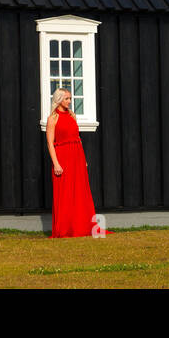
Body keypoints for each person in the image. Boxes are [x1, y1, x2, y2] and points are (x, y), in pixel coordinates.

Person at [45, 87, 105, 238]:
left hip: (76, 157)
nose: (70, 101)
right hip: (62, 158)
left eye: (70, 98)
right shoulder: (53, 118)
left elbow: (78, 138)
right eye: (67, 98)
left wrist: (83, 159)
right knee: (64, 194)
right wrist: (56, 163)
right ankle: (65, 229)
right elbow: (50, 144)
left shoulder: (72, 116)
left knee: (79, 192)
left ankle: (81, 226)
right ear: (59, 100)